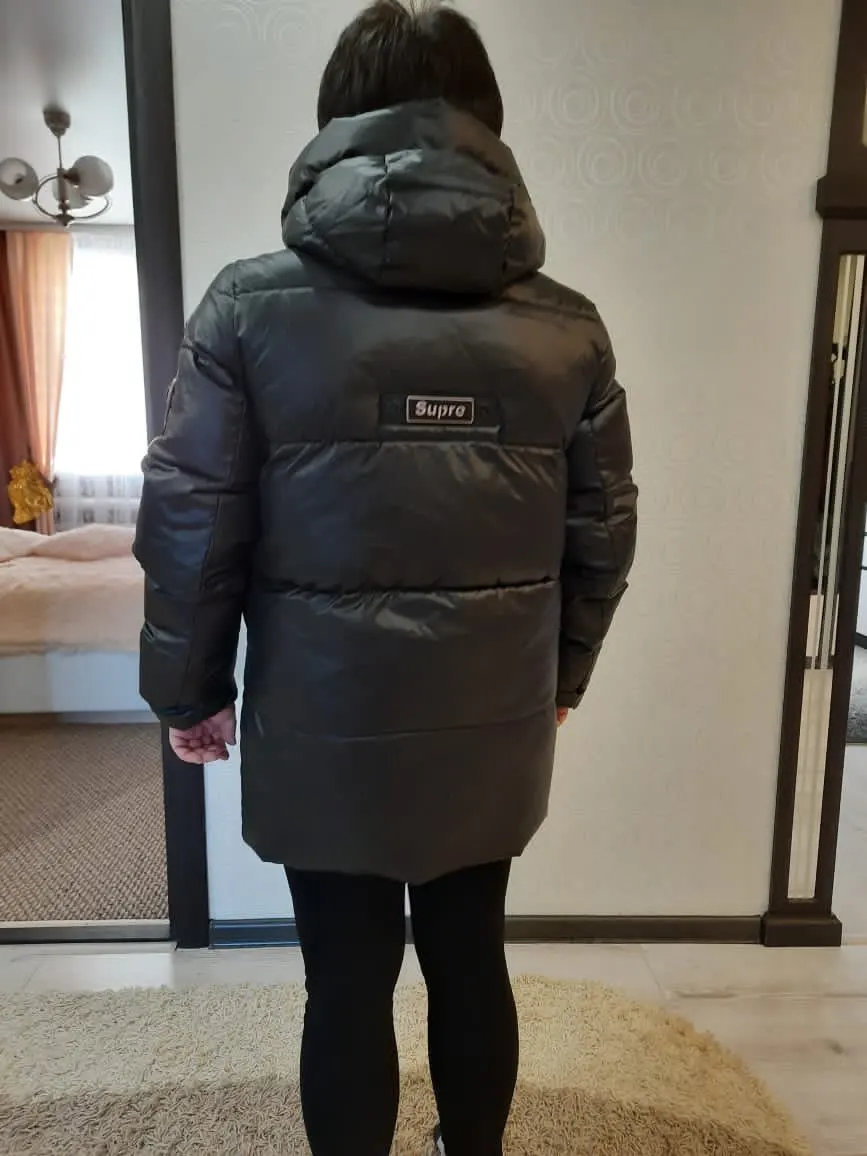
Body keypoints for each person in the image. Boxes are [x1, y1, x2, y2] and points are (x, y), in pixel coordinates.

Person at [133, 2, 637, 1153]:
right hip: (492, 712)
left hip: (325, 717)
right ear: (487, 126)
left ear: (336, 125)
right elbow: (605, 528)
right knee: (471, 956)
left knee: (345, 982)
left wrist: (188, 688)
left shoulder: (247, 309)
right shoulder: (569, 330)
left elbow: (192, 521)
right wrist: (563, 676)